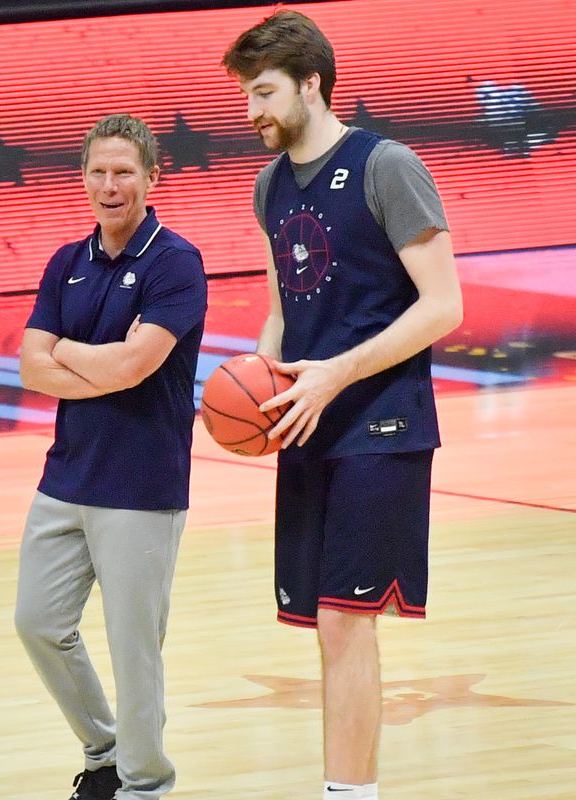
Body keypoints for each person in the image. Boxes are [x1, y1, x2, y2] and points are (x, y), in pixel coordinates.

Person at [221, 11, 463, 800]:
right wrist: (256, 378)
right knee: (324, 629)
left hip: (382, 421)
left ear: (312, 83)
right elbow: (285, 313)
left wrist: (337, 373)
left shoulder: (385, 166)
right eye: (245, 94)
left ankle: (349, 794)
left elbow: (443, 306)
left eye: (262, 92)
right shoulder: (267, 184)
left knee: (343, 621)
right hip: (307, 423)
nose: (250, 110)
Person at [15, 113, 208, 800]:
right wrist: (78, 357)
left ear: (153, 177)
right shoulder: (67, 261)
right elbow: (31, 368)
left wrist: (65, 351)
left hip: (141, 484)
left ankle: (144, 785)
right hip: (66, 476)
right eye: (98, 171)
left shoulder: (176, 262)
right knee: (37, 623)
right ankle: (105, 753)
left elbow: (136, 365)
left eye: (124, 171)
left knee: (135, 651)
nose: (109, 184)